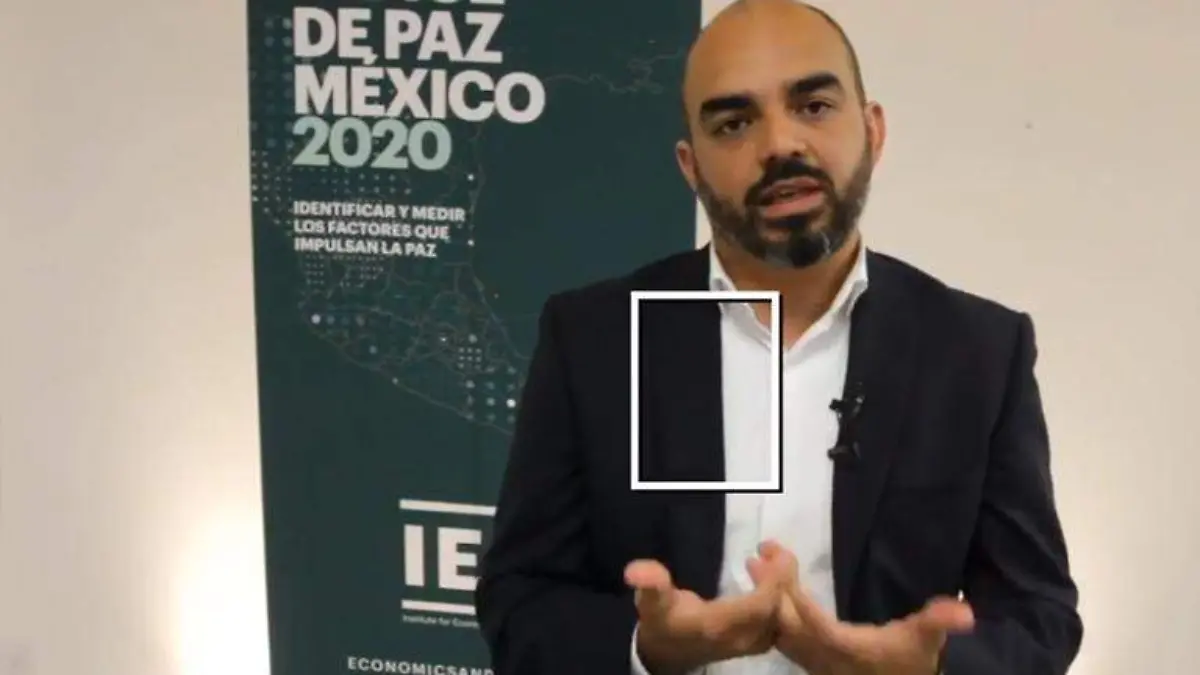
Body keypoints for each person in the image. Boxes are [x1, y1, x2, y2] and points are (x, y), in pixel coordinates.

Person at [474, 1, 1083, 673]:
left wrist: (929, 669)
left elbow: (1038, 617)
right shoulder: (594, 339)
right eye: (734, 123)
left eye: (814, 106)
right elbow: (520, 601)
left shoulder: (978, 352)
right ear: (691, 167)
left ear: (873, 131)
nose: (780, 144)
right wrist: (647, 648)